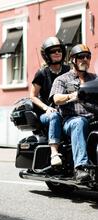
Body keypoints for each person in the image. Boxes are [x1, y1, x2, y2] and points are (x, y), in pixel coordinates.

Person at [50, 44, 98, 183]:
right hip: (71, 120)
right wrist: (72, 95)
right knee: (79, 122)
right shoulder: (63, 79)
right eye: (81, 57)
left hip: (94, 118)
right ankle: (80, 167)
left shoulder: (95, 79)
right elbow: (56, 98)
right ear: (73, 60)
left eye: (87, 57)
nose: (85, 59)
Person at [30, 37, 70, 166]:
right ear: (47, 55)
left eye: (59, 50)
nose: (57, 53)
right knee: (54, 116)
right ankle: (54, 152)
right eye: (53, 51)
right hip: (46, 114)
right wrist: (46, 108)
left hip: (66, 110)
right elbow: (33, 96)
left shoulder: (68, 70)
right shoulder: (42, 73)